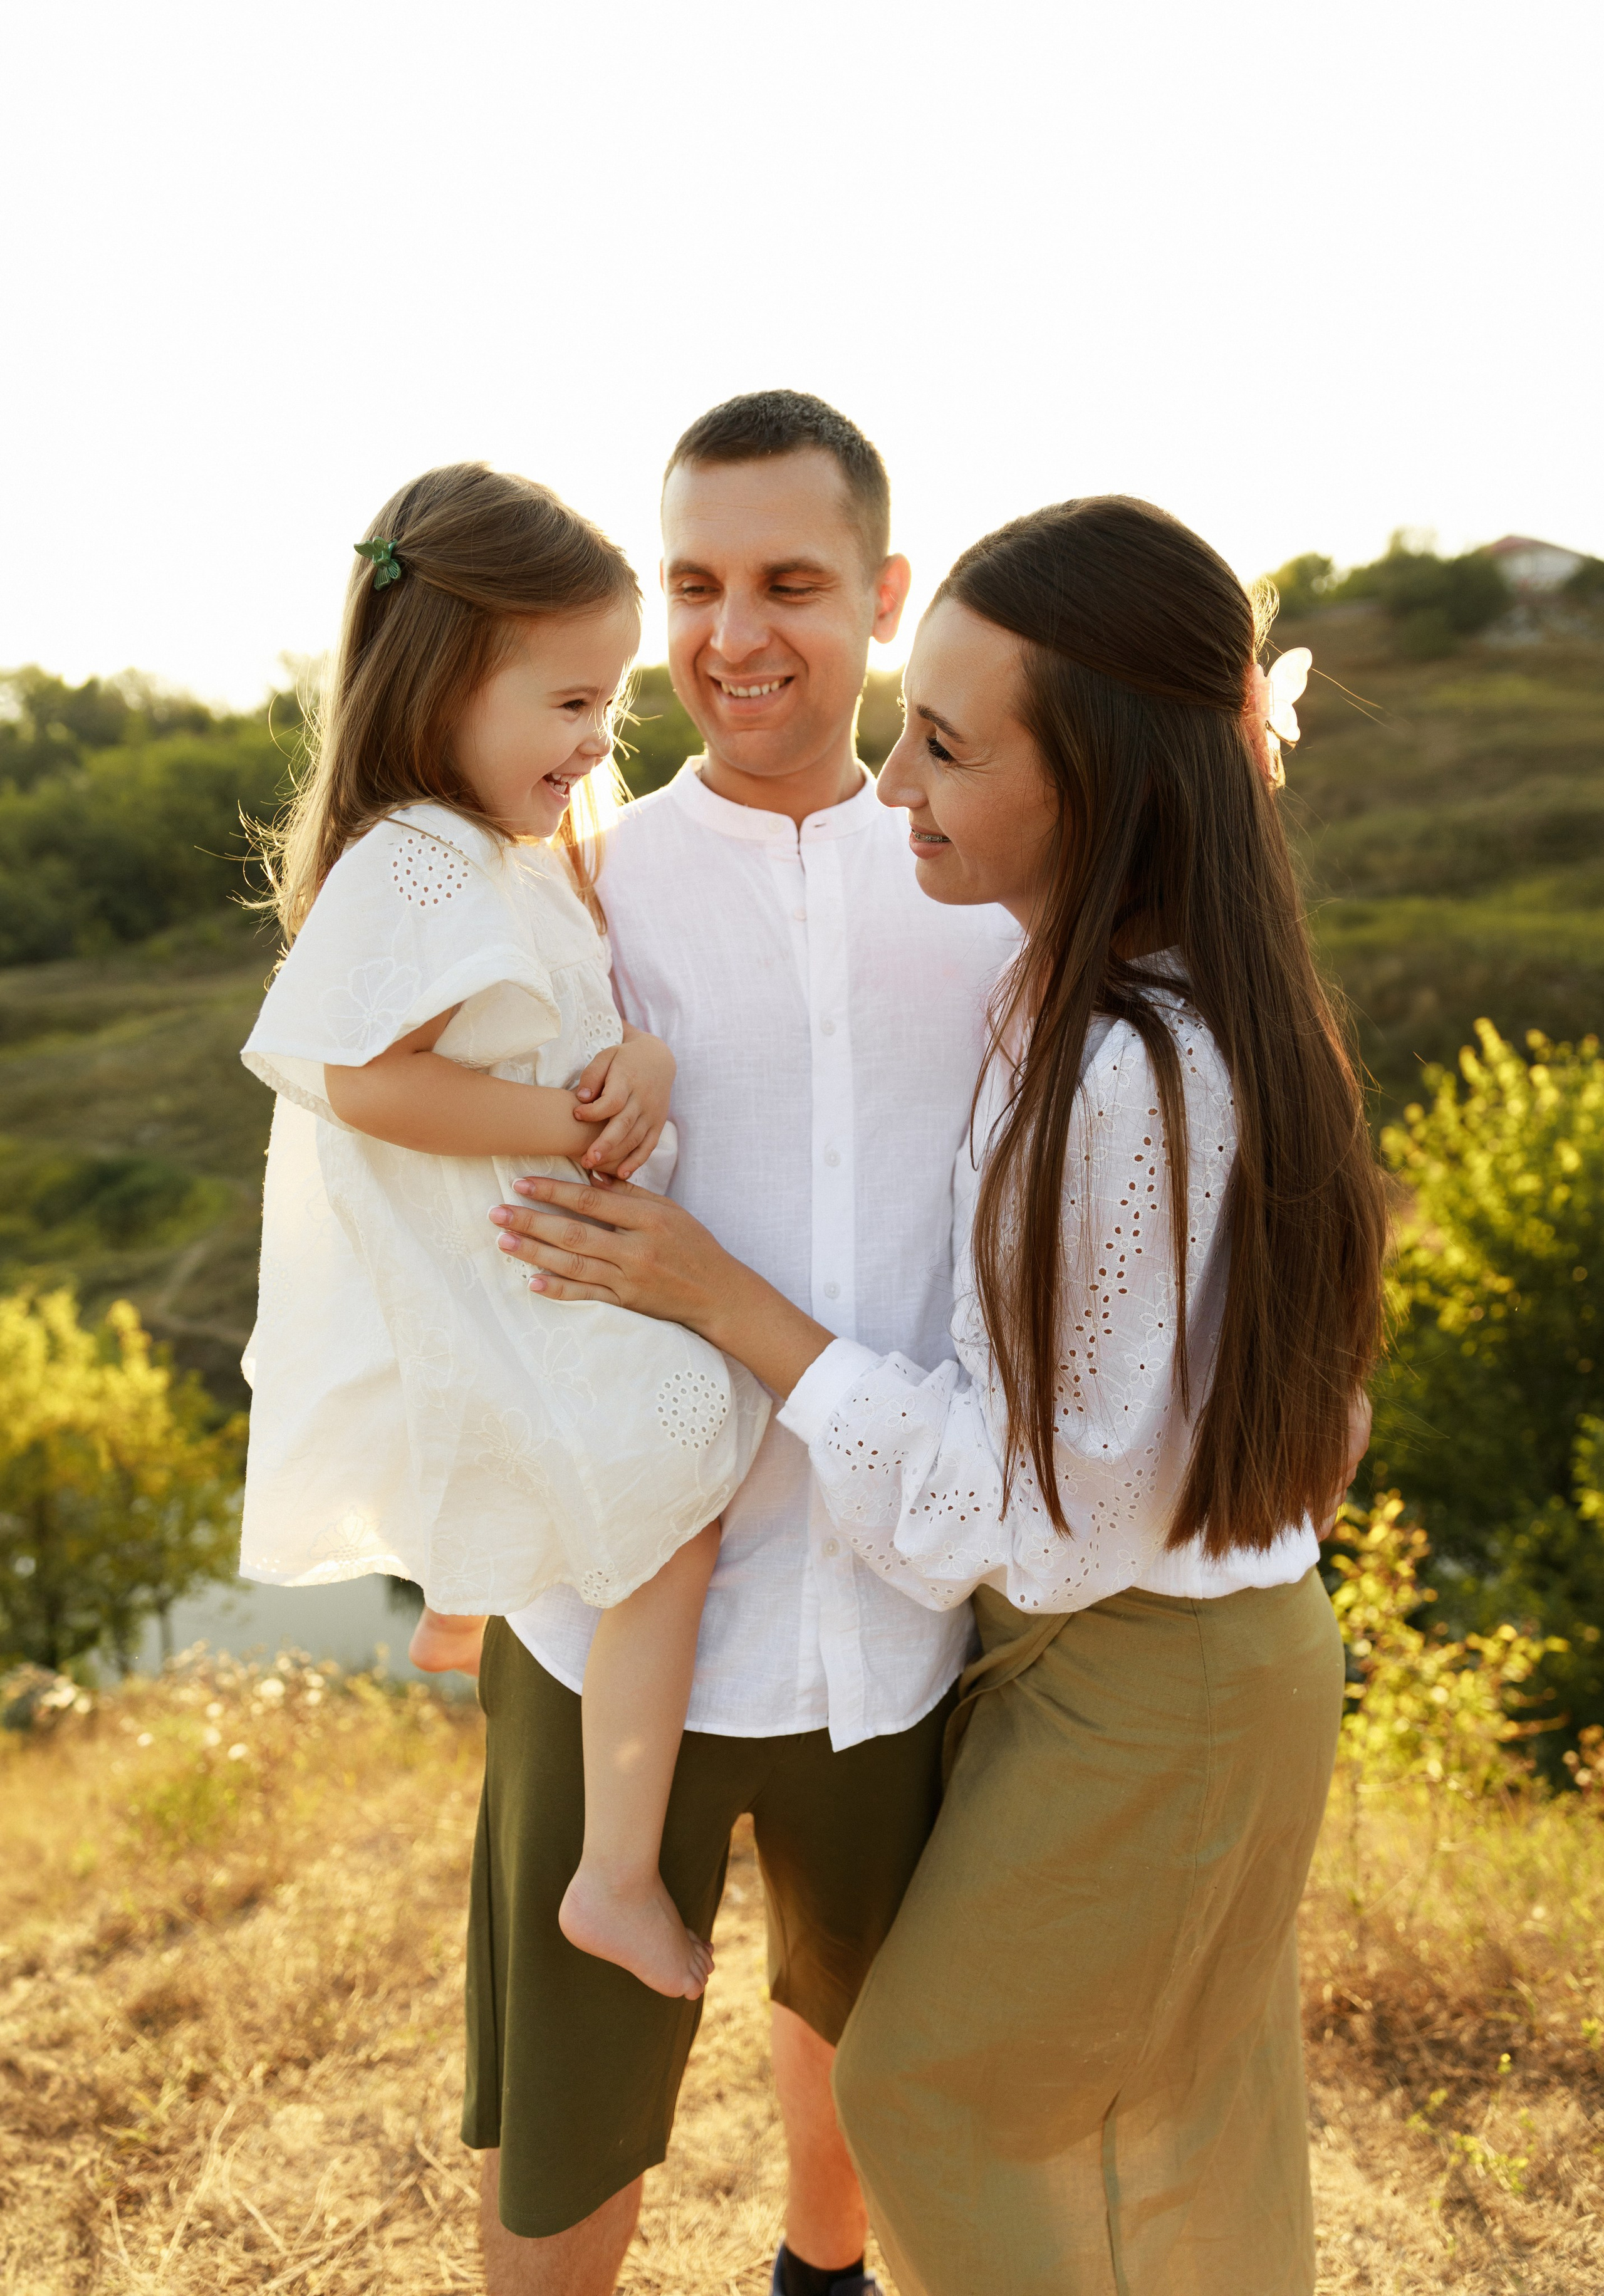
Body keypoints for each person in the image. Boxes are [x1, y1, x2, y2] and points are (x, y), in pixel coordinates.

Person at [491, 494, 1389, 2295]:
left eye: (948, 745)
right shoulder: (1107, 989)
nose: (894, 782)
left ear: (1106, 779)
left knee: (932, 2096)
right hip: (1105, 1657)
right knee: (1153, 2127)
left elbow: (1043, 1529)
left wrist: (725, 1302)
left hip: (1135, 1667)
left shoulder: (1122, 1058)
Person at [460, 394, 1019, 2296]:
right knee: (566, 2119)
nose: (733, 632)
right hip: (612, 1604)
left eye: (788, 580)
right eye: (694, 582)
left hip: (897, 1607)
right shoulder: (579, 882)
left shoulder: (995, 894)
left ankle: (819, 2277)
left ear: (887, 592)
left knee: (867, 2059)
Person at [237, 462, 769, 2005]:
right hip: (521, 1259)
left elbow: (576, 1031)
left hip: (529, 1260)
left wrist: (637, 1072)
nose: (599, 740)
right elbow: (364, 1076)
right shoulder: (414, 856)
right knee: (685, 1463)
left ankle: (469, 1601)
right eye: (565, 703)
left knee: (645, 1449)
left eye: (609, 704)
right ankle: (613, 1873)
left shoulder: (498, 859)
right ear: (442, 687)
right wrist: (568, 1127)